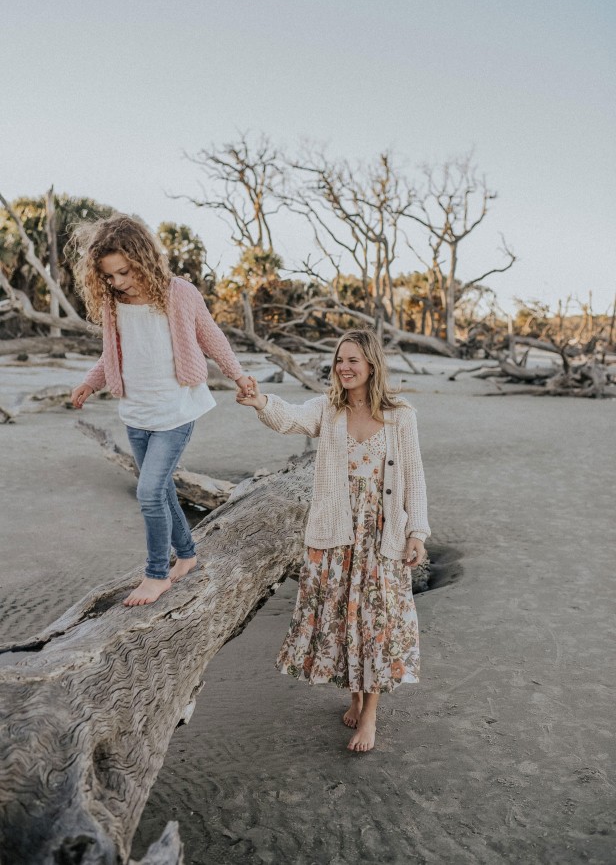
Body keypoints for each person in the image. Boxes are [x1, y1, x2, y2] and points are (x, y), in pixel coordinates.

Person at [237, 329, 430, 752]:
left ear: (372, 365)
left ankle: (371, 717)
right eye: (339, 359)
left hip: (382, 534)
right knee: (344, 615)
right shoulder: (328, 409)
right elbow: (289, 418)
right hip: (336, 530)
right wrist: (260, 401)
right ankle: (355, 696)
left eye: (353, 360)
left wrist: (417, 531)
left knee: (376, 621)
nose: (344, 367)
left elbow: (414, 476)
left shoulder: (402, 415)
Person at [69, 213, 253, 606]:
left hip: (175, 412)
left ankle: (156, 574)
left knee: (149, 492)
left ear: (143, 258)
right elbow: (111, 356)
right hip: (136, 415)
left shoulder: (179, 293)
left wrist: (239, 376)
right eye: (110, 276)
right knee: (163, 489)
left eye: (123, 272)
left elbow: (211, 336)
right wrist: (89, 381)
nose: (117, 282)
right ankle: (186, 555)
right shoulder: (114, 304)